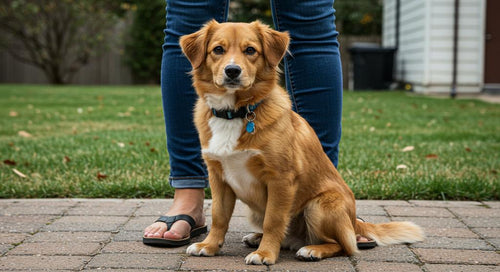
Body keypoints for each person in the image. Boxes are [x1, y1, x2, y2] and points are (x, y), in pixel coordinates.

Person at [144, 0, 371, 247]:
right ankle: (188, 195)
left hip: (304, 194)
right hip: (220, 116)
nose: (233, 65)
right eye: (219, 50)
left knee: (309, 15)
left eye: (249, 51)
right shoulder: (203, 111)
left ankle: (331, 209)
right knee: (190, 8)